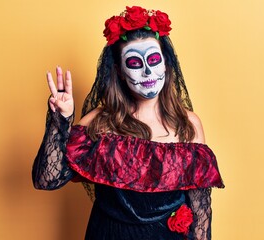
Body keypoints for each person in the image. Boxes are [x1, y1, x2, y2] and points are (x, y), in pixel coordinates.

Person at [32, 6, 224, 240]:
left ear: (165, 63)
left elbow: (200, 209)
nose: (147, 71)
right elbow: (47, 180)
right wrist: (61, 120)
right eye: (134, 63)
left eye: (154, 60)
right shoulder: (100, 120)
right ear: (120, 72)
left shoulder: (188, 125)